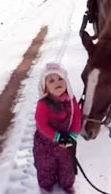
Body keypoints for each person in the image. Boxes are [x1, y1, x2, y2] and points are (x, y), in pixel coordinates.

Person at [33, 63, 82, 194]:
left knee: (67, 165)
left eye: (60, 79)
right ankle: (46, 185)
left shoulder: (71, 100)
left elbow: (77, 117)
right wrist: (57, 137)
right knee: (46, 166)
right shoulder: (43, 104)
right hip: (46, 144)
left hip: (66, 142)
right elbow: (41, 124)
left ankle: (67, 184)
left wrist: (73, 135)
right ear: (45, 87)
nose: (57, 83)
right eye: (51, 81)